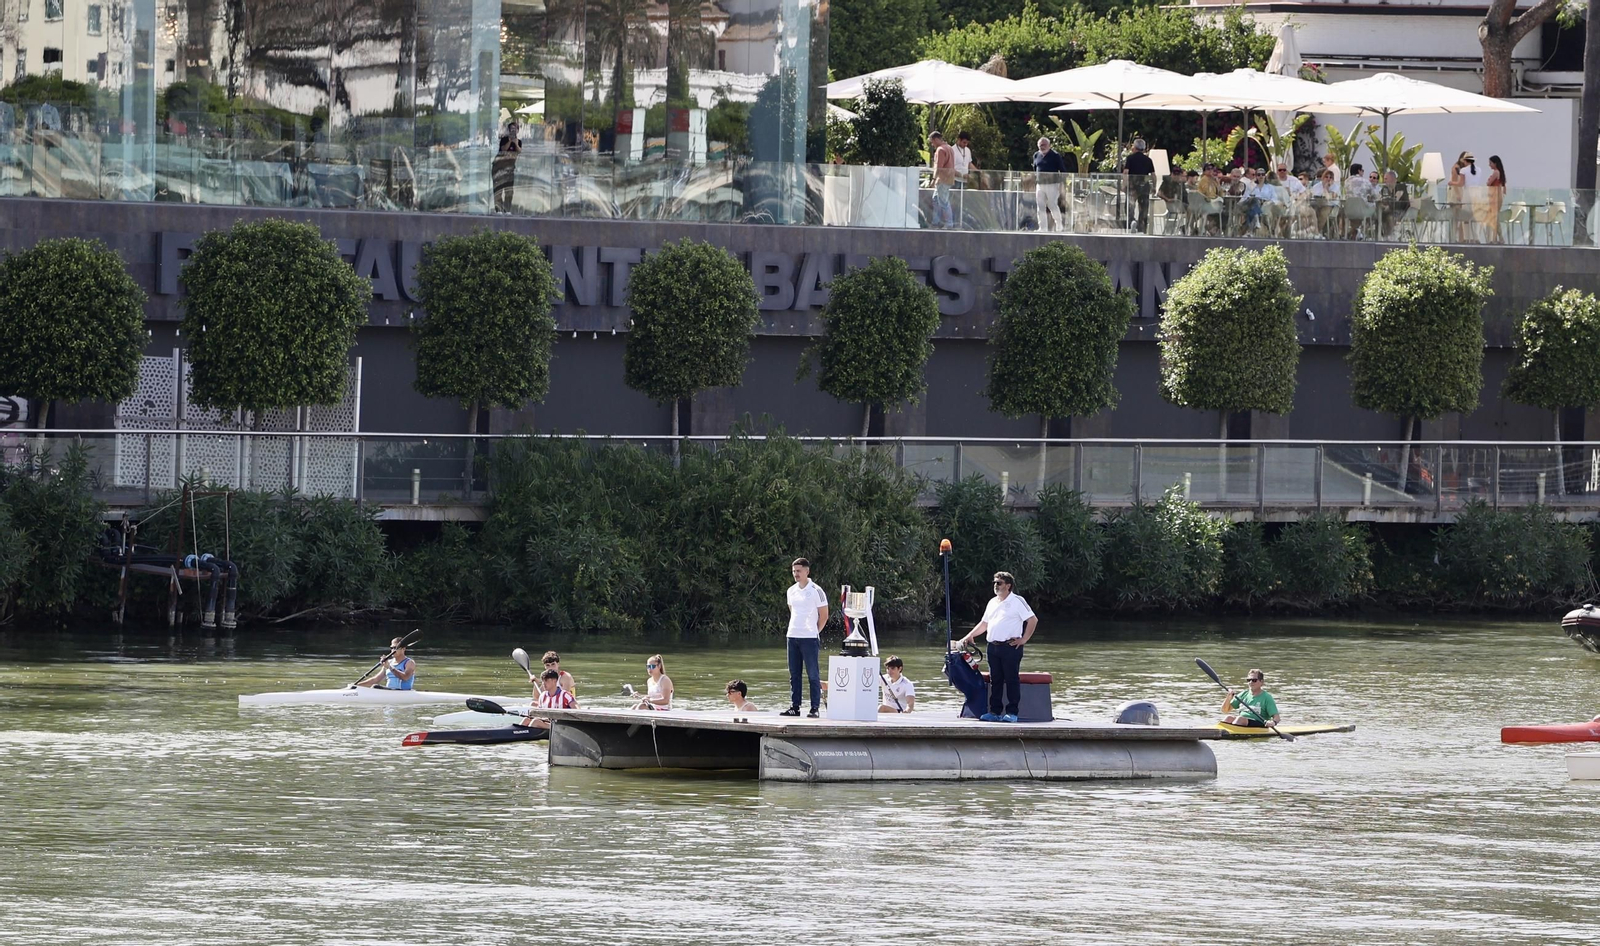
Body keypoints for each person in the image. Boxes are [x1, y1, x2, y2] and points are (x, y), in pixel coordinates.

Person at [956, 571, 1037, 723]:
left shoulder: (1017, 601)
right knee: (996, 680)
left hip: (1010, 647)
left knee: (1011, 679)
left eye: (999, 583)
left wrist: (1024, 639)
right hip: (993, 647)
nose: (995, 585)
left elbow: (1033, 620)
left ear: (1008, 586)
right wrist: (970, 635)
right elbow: (984, 623)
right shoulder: (992, 602)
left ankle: (1012, 713)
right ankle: (995, 711)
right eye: (994, 583)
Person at [781, 557, 829, 718]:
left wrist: (814, 631)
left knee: (813, 674)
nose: (796, 574)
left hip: (809, 638)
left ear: (807, 571)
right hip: (792, 635)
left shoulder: (816, 590)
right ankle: (795, 706)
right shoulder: (791, 591)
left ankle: (814, 707)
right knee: (794, 674)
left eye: (799, 571)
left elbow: (824, 615)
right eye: (794, 571)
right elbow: (792, 610)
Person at [1032, 136, 1068, 232]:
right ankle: (1042, 227)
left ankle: (1059, 225)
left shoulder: (1055, 156)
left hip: (1052, 184)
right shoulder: (1036, 155)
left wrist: (1062, 184)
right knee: (1040, 206)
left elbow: (1062, 170)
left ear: (1049, 145)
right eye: (1040, 145)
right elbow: (1035, 169)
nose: (1042, 147)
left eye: (1044, 145)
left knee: (1052, 205)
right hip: (1040, 185)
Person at [1124, 137, 1155, 232]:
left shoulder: (1130, 158)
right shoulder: (1148, 160)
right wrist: (1154, 187)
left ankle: (1131, 224)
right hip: (1144, 186)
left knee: (1130, 206)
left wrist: (1124, 185)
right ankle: (1142, 228)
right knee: (1143, 208)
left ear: (1135, 147)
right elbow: (1153, 175)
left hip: (1132, 186)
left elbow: (1125, 172)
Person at [928, 131, 955, 229]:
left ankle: (949, 223)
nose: (932, 144)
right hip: (949, 178)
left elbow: (939, 167)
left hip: (942, 179)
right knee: (936, 199)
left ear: (936, 139)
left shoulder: (940, 150)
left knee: (943, 201)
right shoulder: (949, 148)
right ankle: (936, 221)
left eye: (932, 142)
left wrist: (934, 179)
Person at [493, 119, 522, 212]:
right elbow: (503, 149)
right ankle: (498, 209)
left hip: (509, 169)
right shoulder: (504, 139)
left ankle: (507, 209)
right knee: (498, 190)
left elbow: (519, 151)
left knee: (509, 191)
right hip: (499, 168)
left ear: (517, 130)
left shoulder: (519, 141)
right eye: (511, 129)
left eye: (515, 129)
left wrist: (515, 143)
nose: (513, 131)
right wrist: (509, 141)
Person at [1486, 155, 1506, 243]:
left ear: (1495, 163)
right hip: (1497, 196)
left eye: (1490, 163)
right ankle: (1496, 238)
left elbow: (1488, 183)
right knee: (1494, 217)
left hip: (1495, 196)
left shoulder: (1496, 172)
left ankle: (1498, 238)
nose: (1489, 165)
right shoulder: (1500, 173)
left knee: (1494, 217)